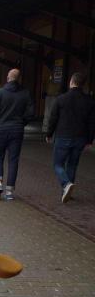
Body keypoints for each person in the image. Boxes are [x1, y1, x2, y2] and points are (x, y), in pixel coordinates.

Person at [45, 72, 95, 203]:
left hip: (63, 136)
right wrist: (90, 140)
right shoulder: (90, 101)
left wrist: (49, 134)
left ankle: (66, 184)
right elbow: (92, 122)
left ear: (71, 82)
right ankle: (66, 192)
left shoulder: (61, 99)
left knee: (58, 164)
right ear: (83, 84)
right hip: (80, 138)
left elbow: (53, 118)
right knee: (72, 165)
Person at [0, 68, 33, 200]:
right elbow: (30, 113)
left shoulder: (0, 92)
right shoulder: (25, 93)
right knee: (13, 160)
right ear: (19, 79)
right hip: (17, 129)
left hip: (1, 129)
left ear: (8, 78)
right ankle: (9, 191)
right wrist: (22, 123)